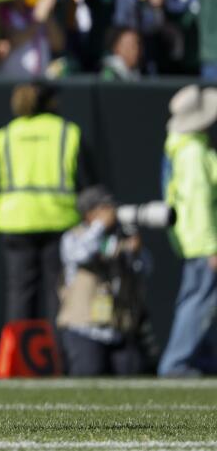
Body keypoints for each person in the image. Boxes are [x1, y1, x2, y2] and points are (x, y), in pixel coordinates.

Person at [0, 83, 88, 323]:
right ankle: (56, 358)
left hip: (15, 223)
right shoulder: (68, 132)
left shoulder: (4, 135)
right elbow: (87, 182)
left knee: (19, 296)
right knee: (58, 295)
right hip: (59, 221)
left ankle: (21, 358)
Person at [159, 85, 217, 377]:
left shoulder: (185, 148)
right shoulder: (192, 151)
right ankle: (177, 363)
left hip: (195, 240)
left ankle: (199, 359)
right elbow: (199, 203)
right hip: (201, 241)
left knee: (201, 302)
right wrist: (211, 247)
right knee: (197, 302)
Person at [57, 187, 147, 376]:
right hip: (83, 328)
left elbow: (146, 269)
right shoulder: (74, 237)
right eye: (104, 209)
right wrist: (100, 227)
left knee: (133, 374)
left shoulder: (121, 237)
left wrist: (135, 251)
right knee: (89, 373)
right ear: (89, 214)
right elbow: (80, 254)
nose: (111, 213)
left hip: (119, 328)